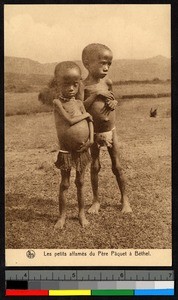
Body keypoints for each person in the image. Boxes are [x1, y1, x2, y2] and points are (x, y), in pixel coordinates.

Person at [81, 43, 132, 214]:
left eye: (109, 64)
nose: (106, 67)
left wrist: (113, 102)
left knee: (117, 166)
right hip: (92, 132)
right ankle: (96, 201)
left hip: (111, 130)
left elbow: (113, 99)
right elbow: (81, 107)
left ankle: (124, 198)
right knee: (95, 165)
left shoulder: (108, 82)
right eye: (102, 63)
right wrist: (96, 94)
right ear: (87, 63)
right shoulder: (83, 85)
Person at [48, 61, 94, 229]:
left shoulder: (80, 103)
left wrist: (91, 140)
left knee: (81, 182)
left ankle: (81, 214)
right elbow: (69, 120)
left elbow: (91, 122)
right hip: (66, 150)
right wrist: (87, 115)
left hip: (83, 148)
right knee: (65, 183)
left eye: (75, 84)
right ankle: (62, 216)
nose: (72, 88)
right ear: (58, 84)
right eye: (67, 84)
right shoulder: (57, 103)